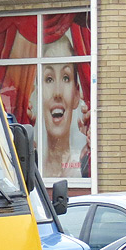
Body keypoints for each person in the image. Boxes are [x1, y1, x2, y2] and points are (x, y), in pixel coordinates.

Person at [36, 36, 88, 179]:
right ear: (38, 93)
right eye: (49, 79)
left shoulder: (84, 167)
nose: (57, 92)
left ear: (76, 95)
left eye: (66, 78)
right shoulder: (31, 166)